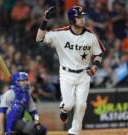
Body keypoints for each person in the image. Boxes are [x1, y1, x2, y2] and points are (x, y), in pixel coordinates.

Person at [36, 6, 106, 135]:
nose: (82, 19)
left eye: (82, 16)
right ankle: (64, 109)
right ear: (72, 19)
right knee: (69, 105)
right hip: (66, 74)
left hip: (84, 74)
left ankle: (74, 131)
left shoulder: (90, 36)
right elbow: (39, 39)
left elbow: (99, 53)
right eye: (79, 17)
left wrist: (95, 66)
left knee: (81, 105)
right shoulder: (60, 33)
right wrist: (45, 20)